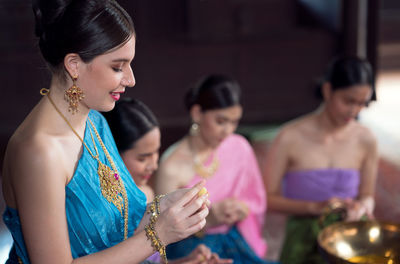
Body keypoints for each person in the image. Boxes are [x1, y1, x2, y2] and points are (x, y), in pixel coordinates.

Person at [1, 1, 210, 263]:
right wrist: (158, 233)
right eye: (118, 67)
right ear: (74, 65)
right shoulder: (39, 152)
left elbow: (113, 228)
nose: (131, 79)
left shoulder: (95, 122)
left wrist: (162, 210)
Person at [263, 56, 378, 264]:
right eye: (348, 101)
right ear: (327, 90)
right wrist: (314, 208)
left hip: (349, 236)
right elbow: (268, 199)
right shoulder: (290, 136)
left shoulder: (366, 139)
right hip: (302, 241)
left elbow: (367, 195)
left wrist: (361, 208)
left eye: (362, 103)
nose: (354, 110)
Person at [155, 75, 273, 264]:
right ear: (197, 113)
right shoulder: (172, 166)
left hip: (235, 240)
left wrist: (240, 209)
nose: (228, 131)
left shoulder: (238, 147)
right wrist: (207, 221)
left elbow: (255, 200)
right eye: (221, 121)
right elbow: (161, 234)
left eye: (234, 122)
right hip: (192, 251)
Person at [103, 97, 233, 264]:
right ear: (112, 155)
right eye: (143, 158)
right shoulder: (103, 210)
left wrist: (187, 261)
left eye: (156, 153)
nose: (154, 165)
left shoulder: (147, 194)